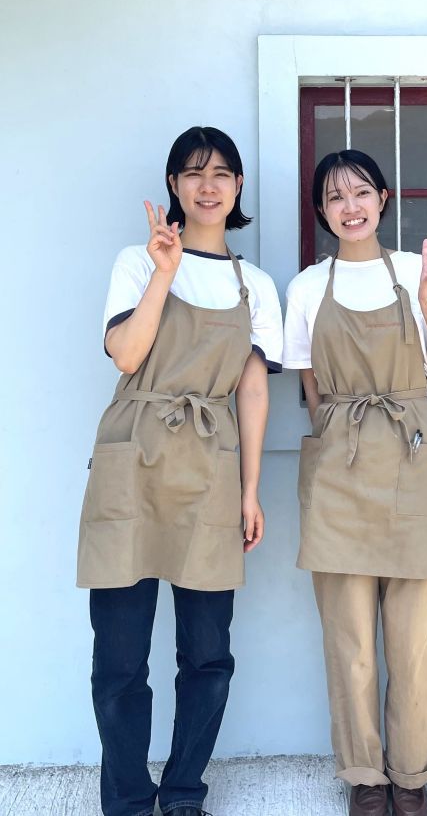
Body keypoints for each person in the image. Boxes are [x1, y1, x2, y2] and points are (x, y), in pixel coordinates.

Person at [77, 126, 283, 816]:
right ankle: (130, 799)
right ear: (173, 185)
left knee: (206, 654)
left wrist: (252, 490)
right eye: (193, 173)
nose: (208, 184)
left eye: (222, 172)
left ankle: (185, 792)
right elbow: (128, 356)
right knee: (120, 660)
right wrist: (164, 274)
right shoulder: (139, 262)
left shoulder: (253, 284)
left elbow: (252, 391)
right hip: (130, 462)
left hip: (210, 469)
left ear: (239, 188)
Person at [283, 149, 427, 816]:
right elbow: (311, 387)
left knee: (416, 633)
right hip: (340, 466)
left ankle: (411, 773)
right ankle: (365, 773)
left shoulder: (420, 273)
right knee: (348, 632)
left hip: (413, 459)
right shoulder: (306, 288)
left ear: (383, 199)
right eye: (334, 197)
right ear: (322, 211)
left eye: (360, 192)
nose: (349, 206)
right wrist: (336, 448)